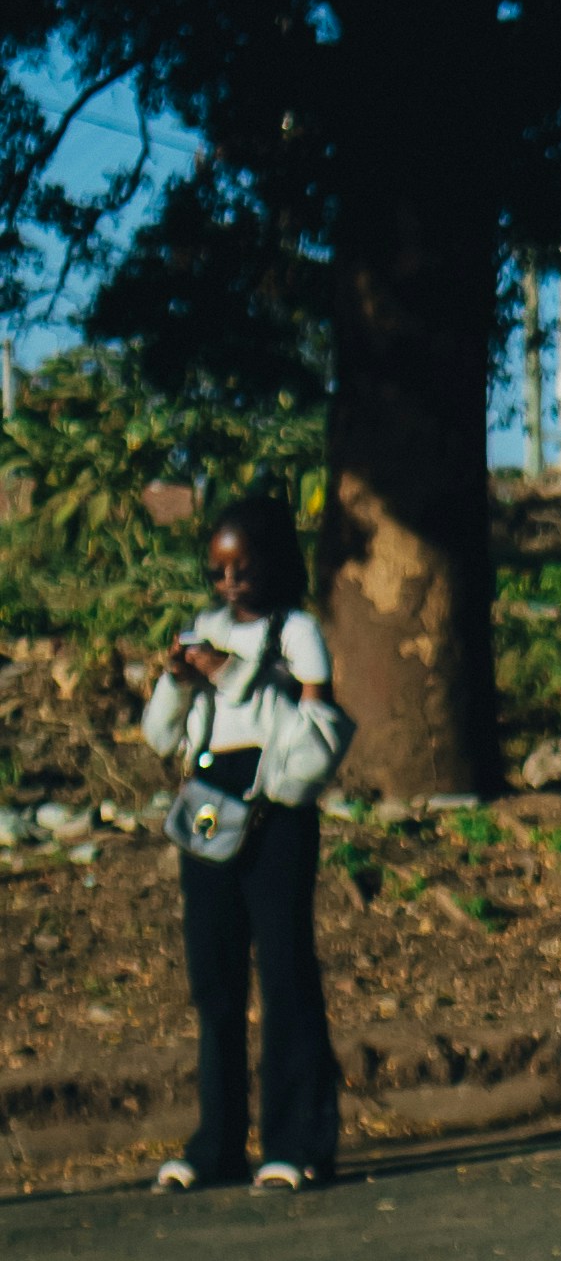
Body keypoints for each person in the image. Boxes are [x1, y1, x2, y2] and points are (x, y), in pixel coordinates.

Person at [141, 489, 344, 1193]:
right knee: (214, 975)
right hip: (207, 803)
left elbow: (315, 739)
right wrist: (175, 679)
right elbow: (160, 737)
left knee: (285, 971)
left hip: (277, 805)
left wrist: (229, 675)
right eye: (219, 571)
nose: (229, 585)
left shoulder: (297, 632)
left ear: (274, 566)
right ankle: (215, 1144)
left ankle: (297, 1142)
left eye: (243, 570)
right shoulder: (205, 626)